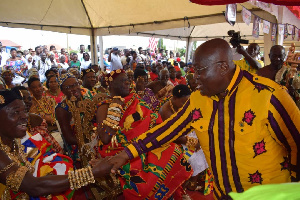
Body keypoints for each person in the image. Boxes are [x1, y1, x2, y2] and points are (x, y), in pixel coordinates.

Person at [106, 38, 300, 199]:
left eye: (200, 70)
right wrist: (125, 154)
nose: (194, 76)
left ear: (223, 67)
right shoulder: (198, 99)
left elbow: (297, 143)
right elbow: (167, 130)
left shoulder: (268, 95)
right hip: (222, 194)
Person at [95, 69, 192, 199]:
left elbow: (153, 121)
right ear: (111, 84)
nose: (128, 82)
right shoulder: (105, 106)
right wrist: (115, 109)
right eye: (123, 80)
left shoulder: (134, 99)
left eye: (128, 80)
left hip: (142, 143)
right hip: (118, 150)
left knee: (172, 149)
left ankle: (169, 194)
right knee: (147, 169)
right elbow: (105, 138)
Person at [0, 89, 114, 199]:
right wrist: (93, 173)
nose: (25, 116)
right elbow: (33, 186)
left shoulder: (16, 142)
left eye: (24, 111)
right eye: (16, 112)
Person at [159, 85, 212, 194]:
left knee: (208, 143)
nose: (186, 104)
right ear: (174, 98)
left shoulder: (181, 105)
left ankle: (195, 180)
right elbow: (172, 136)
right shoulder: (166, 111)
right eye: (183, 102)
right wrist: (193, 142)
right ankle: (192, 183)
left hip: (185, 134)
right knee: (194, 156)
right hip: (171, 141)